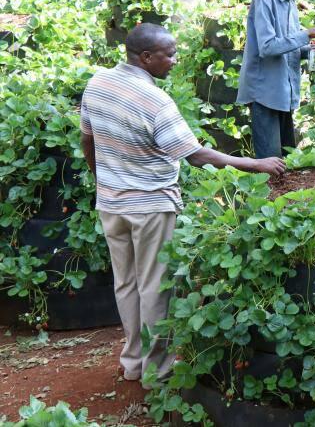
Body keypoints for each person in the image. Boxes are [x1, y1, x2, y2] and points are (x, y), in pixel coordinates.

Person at [80, 23, 286, 387]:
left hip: (110, 204)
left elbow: (88, 139)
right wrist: (257, 164)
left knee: (125, 283)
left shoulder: (98, 83)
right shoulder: (156, 101)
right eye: (169, 55)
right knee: (155, 287)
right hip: (150, 208)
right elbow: (196, 155)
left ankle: (132, 363)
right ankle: (156, 372)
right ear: (146, 58)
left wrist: (103, 180)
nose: (175, 61)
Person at [237, 0, 315, 159]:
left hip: (282, 93)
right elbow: (268, 47)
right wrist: (306, 34)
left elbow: (289, 47)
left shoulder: (289, 0)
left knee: (287, 157)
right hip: (264, 93)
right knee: (270, 162)